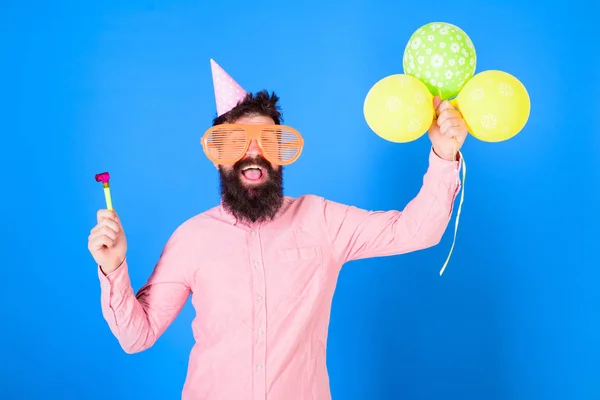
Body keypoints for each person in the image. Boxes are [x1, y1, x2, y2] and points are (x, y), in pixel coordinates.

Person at [88, 59, 467, 400]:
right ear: (218, 157)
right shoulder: (191, 238)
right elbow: (136, 337)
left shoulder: (321, 220)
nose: (253, 152)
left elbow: (417, 231)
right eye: (236, 142)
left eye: (268, 141)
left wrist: (444, 155)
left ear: (282, 153)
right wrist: (113, 267)